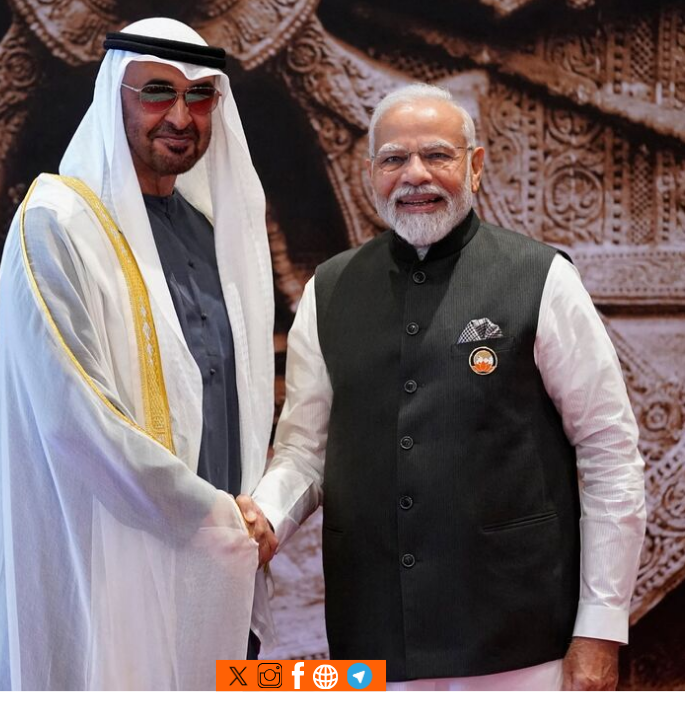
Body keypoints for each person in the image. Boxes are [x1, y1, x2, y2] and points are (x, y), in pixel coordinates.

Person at [246, 83, 647, 690]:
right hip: (374, 644)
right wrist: (267, 519)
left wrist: (600, 628)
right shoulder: (329, 291)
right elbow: (306, 451)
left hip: (522, 645)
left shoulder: (541, 278)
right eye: (394, 159)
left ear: (475, 166)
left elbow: (609, 453)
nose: (415, 175)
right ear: (370, 173)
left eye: (437, 155)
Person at [0, 17, 277, 690]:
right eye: (157, 92)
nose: (181, 117)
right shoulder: (58, 225)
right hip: (112, 563)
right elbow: (73, 416)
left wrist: (243, 522)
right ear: (115, 97)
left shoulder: (214, 234)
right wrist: (211, 515)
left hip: (219, 569)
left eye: (200, 96)